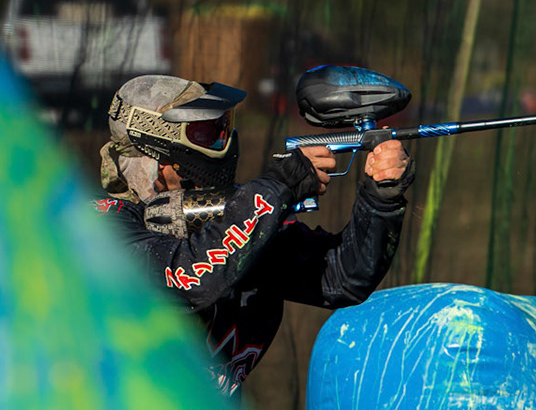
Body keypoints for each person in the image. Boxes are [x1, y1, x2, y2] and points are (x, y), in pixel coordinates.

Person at [93, 74, 413, 393]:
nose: (222, 144)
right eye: (204, 134)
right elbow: (189, 278)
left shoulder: (239, 219)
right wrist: (274, 190)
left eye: (222, 129)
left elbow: (343, 278)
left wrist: (381, 197)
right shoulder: (96, 228)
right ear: (157, 159)